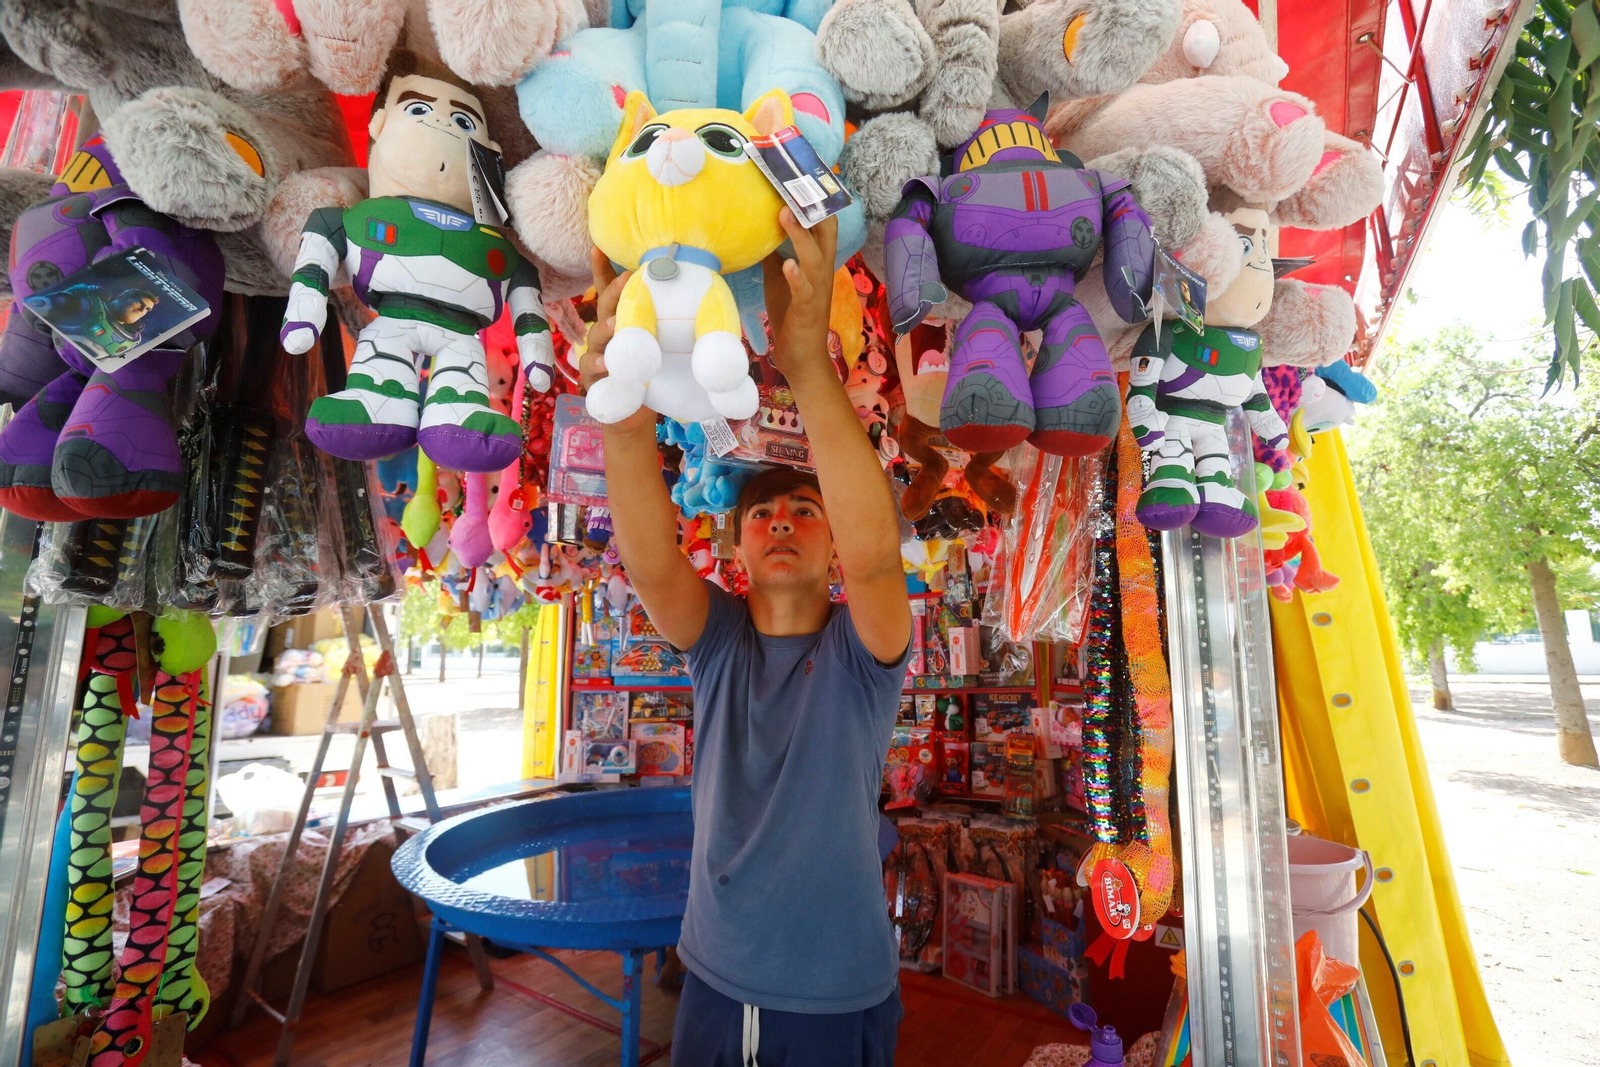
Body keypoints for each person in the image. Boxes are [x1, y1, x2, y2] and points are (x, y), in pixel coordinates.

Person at [581, 210, 912, 1066]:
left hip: (841, 985)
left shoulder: (862, 653)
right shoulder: (718, 643)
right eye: (760, 510)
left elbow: (879, 560)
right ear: (734, 547)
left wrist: (806, 364)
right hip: (721, 976)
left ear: (830, 538)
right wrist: (621, 411)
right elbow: (655, 569)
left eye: (806, 508)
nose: (781, 520)